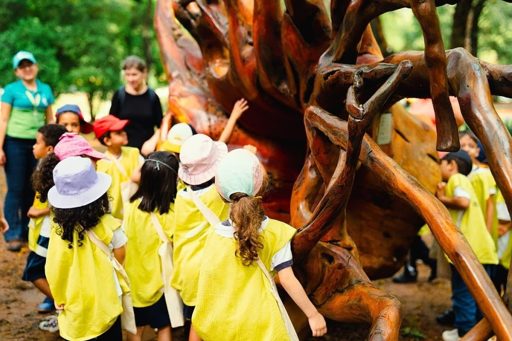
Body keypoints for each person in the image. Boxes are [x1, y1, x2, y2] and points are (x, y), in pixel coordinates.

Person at [192, 148, 327, 340]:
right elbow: (288, 279)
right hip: (261, 325)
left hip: (224, 325)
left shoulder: (214, 236)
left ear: (221, 194)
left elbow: (208, 283)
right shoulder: (276, 233)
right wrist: (313, 314)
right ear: (262, 186)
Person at [46, 157, 127, 340]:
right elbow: (121, 252)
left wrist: (59, 296)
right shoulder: (108, 224)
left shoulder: (58, 231)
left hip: (75, 301)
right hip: (106, 300)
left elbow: (54, 267)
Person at [170, 134, 230, 341]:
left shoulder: (181, 196)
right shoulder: (220, 193)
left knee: (196, 319)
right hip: (212, 269)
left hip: (187, 267)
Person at [436, 150, 498, 341]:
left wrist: (441, 198)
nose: (440, 167)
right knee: (479, 295)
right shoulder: (465, 182)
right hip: (482, 249)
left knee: (464, 293)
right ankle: (480, 332)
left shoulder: (456, 179)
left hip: (468, 251)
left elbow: (463, 202)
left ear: (452, 165)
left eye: (442, 163)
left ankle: (465, 333)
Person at [0, 51, 55, 251]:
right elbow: (3, 119)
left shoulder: (45, 89)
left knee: (33, 187)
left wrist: (54, 144)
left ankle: (25, 230)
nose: (27, 68)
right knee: (15, 187)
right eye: (22, 66)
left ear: (36, 66)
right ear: (16, 71)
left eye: (29, 64)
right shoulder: (11, 90)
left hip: (38, 145)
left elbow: (50, 119)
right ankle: (11, 232)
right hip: (14, 143)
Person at [124, 151, 179, 341]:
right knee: (163, 326)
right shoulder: (171, 212)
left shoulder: (132, 206)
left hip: (134, 281)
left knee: (135, 330)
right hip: (161, 282)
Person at [22, 124, 66, 320]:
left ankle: (65, 307)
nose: (33, 146)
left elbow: (63, 201)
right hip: (47, 231)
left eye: (37, 142)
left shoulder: (54, 170)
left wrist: (41, 212)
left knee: (34, 271)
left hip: (50, 232)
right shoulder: (45, 165)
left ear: (49, 148)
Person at [93, 115, 143, 219]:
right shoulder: (101, 164)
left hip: (137, 213)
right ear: (107, 141)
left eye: (123, 130)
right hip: (115, 217)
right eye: (118, 133)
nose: (124, 133)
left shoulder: (134, 153)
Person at [109, 56, 162, 150]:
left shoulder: (152, 96)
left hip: (147, 150)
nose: (130, 79)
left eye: (134, 74)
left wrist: (152, 142)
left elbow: (161, 126)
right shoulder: (119, 95)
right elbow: (111, 124)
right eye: (127, 75)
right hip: (124, 150)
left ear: (144, 73)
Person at [459, 131, 498, 240]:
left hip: (479, 226)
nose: (466, 149)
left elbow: (490, 205)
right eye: (462, 146)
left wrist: (487, 233)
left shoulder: (484, 174)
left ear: (477, 151)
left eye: (470, 146)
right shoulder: (453, 173)